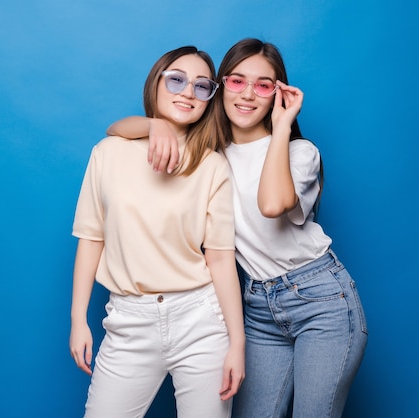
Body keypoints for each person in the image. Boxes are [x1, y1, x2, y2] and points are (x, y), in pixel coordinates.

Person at [107, 38, 368, 418]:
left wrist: (281, 128)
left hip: (321, 302)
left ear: (278, 94)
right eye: (236, 81)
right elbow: (116, 129)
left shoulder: (300, 152)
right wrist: (154, 124)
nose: (248, 94)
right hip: (257, 309)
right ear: (220, 87)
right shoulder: (210, 156)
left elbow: (272, 204)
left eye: (263, 85)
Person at [70, 46, 245, 418]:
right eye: (177, 80)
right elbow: (91, 238)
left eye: (201, 87)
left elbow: (220, 258)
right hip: (129, 320)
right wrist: (78, 320)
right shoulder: (108, 152)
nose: (187, 92)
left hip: (200, 318)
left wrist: (238, 343)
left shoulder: (213, 166)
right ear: (157, 82)